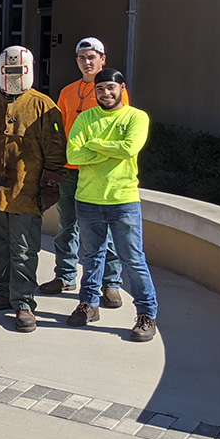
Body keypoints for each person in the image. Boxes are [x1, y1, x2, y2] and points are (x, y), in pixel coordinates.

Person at [0, 46, 66, 333]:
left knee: (24, 249)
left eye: (18, 71)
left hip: (26, 193)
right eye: (8, 71)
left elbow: (56, 152)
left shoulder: (45, 107)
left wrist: (50, 186)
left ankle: (24, 302)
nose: (13, 76)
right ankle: (5, 291)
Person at [65, 68, 159, 341]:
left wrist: (93, 145)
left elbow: (129, 148)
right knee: (91, 256)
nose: (105, 93)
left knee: (133, 259)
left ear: (121, 89)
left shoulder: (135, 117)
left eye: (110, 88)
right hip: (88, 199)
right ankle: (89, 304)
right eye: (100, 89)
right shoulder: (86, 117)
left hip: (123, 200)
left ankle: (146, 314)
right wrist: (109, 149)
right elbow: (73, 153)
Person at [41, 37, 129, 308]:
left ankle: (110, 284)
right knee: (67, 225)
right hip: (69, 170)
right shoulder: (67, 91)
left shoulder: (112, 90)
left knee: (105, 230)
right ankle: (66, 275)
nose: (87, 62)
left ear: (103, 58)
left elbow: (118, 131)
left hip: (100, 172)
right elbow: (60, 131)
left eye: (92, 57)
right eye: (82, 58)